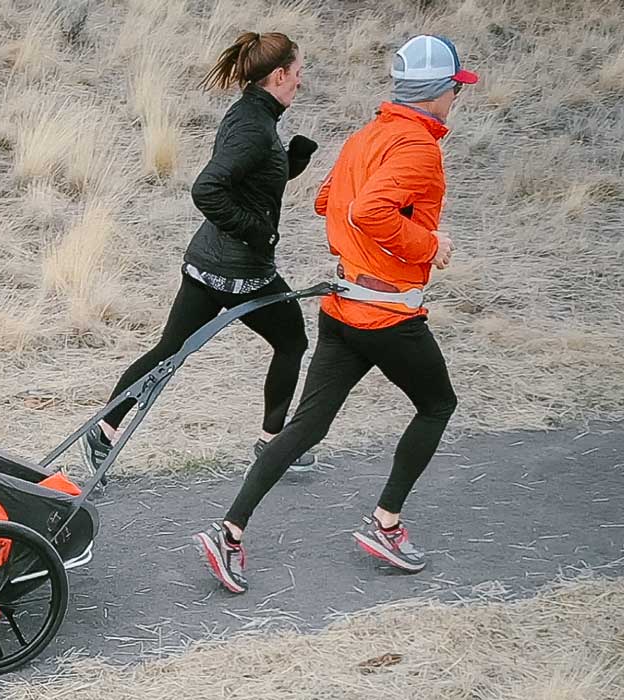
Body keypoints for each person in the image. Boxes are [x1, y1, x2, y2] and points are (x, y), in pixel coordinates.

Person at [196, 35, 478, 593]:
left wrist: (363, 234)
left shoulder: (365, 135)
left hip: (342, 306)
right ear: (437, 91)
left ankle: (229, 531)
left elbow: (328, 202)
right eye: (455, 89)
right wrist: (428, 245)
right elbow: (366, 210)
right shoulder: (419, 148)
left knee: (307, 425)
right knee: (438, 404)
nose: (456, 98)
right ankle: (386, 524)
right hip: (388, 316)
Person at [81, 31, 322, 477]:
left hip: (207, 262)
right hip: (242, 269)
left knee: (170, 349)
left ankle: (105, 430)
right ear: (279, 75)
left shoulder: (250, 113)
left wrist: (290, 163)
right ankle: (272, 443)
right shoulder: (254, 127)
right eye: (298, 73)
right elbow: (208, 189)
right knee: (292, 341)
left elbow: (245, 180)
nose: (300, 83)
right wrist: (259, 233)